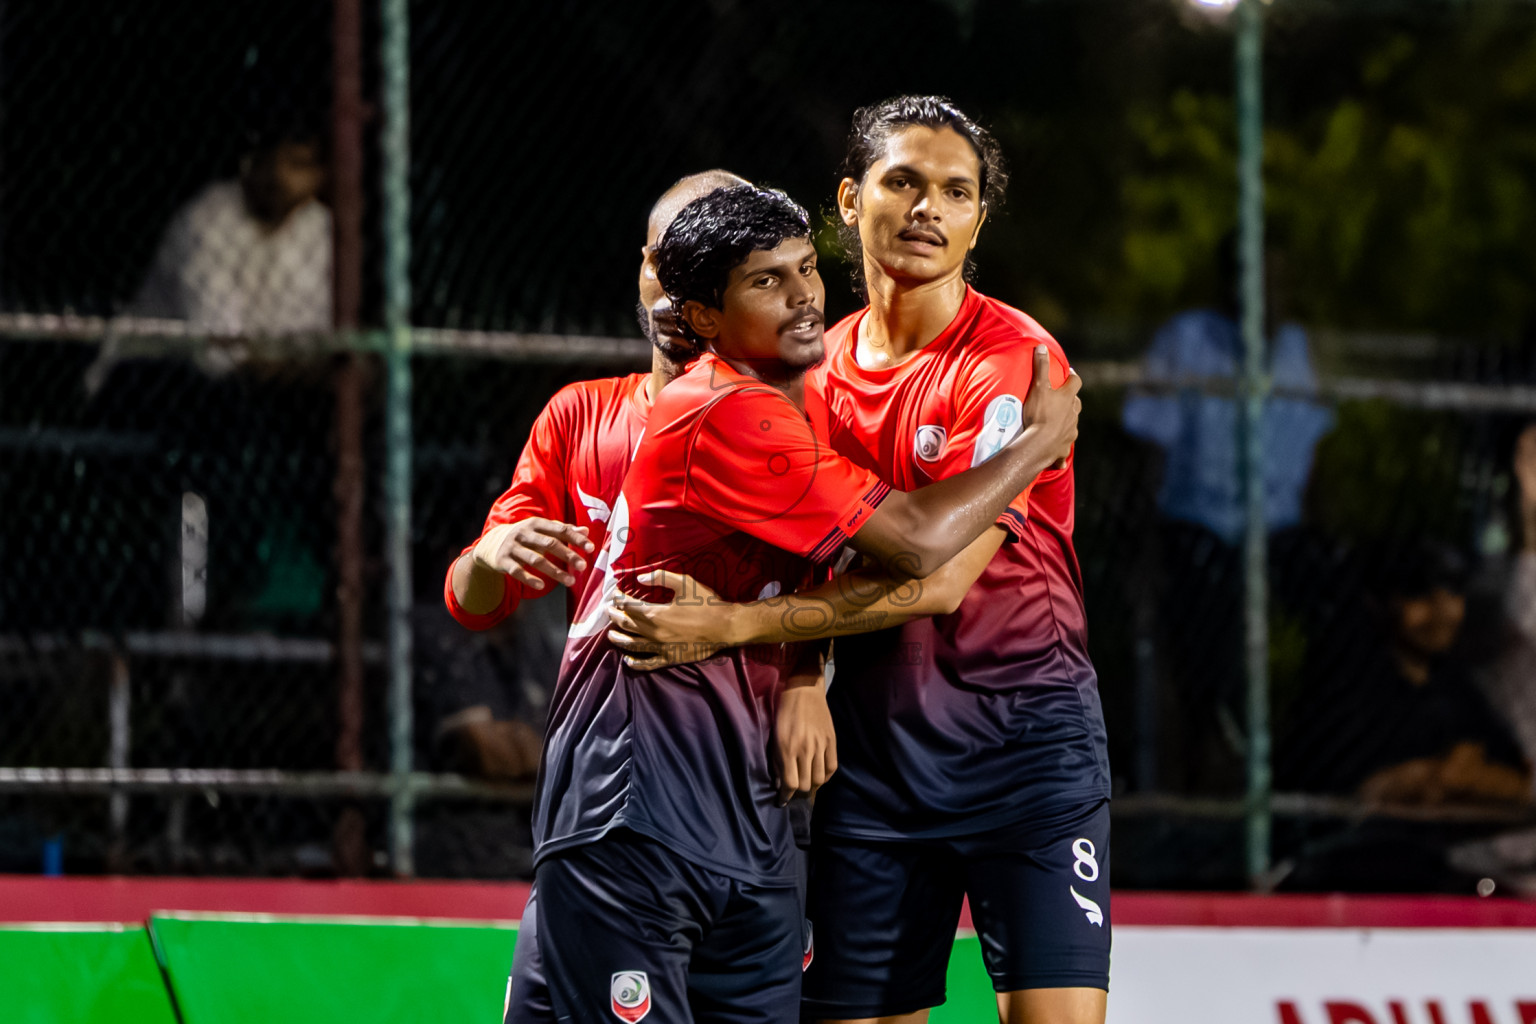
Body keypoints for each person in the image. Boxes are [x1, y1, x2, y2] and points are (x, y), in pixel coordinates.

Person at [606, 97, 1108, 1024]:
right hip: (873, 761)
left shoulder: (1014, 359)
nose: (927, 208)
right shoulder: (809, 368)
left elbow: (943, 577)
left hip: (1024, 750)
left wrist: (735, 629)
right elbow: (794, 551)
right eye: (904, 181)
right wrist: (799, 677)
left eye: (956, 192)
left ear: (977, 221)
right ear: (849, 198)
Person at [444, 170, 752, 1024]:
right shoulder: (577, 416)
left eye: (713, 261)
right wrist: (491, 552)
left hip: (728, 818)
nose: (680, 285)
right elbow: (473, 599)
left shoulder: (784, 431)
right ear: (643, 267)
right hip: (590, 820)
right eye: (669, 259)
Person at [132, 119, 331, 335]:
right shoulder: (209, 216)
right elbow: (215, 345)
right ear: (249, 163)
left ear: (320, 176)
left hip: (271, 361)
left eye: (297, 165)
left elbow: (308, 331)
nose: (279, 176)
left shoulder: (319, 226)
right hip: (158, 359)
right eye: (268, 161)